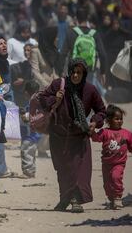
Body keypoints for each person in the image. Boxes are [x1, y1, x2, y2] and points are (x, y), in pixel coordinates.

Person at [39, 58, 106, 213]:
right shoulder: (58, 85)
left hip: (79, 137)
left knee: (79, 172)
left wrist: (94, 123)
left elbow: (101, 110)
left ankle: (76, 200)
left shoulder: (90, 90)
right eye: (73, 72)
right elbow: (43, 99)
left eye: (79, 73)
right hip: (58, 136)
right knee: (63, 170)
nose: (75, 76)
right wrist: (55, 98)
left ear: (84, 74)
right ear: (69, 72)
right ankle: (64, 199)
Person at [91, 105, 132, 210]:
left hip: (119, 163)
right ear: (109, 120)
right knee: (107, 184)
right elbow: (96, 139)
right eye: (116, 119)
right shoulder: (105, 132)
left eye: (121, 119)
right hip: (106, 164)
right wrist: (91, 132)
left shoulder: (127, 134)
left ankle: (118, 197)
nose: (119, 121)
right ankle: (111, 199)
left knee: (116, 177)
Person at [19, 81, 41, 178]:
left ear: (26, 93)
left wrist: (22, 114)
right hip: (35, 135)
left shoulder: (32, 103)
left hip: (29, 135)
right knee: (31, 153)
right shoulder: (38, 102)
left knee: (26, 152)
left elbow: (28, 117)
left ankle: (28, 172)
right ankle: (32, 171)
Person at [11, 43, 34, 107]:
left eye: (28, 50)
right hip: (24, 95)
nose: (26, 52)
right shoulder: (24, 64)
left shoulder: (36, 65)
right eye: (25, 50)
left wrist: (23, 81)